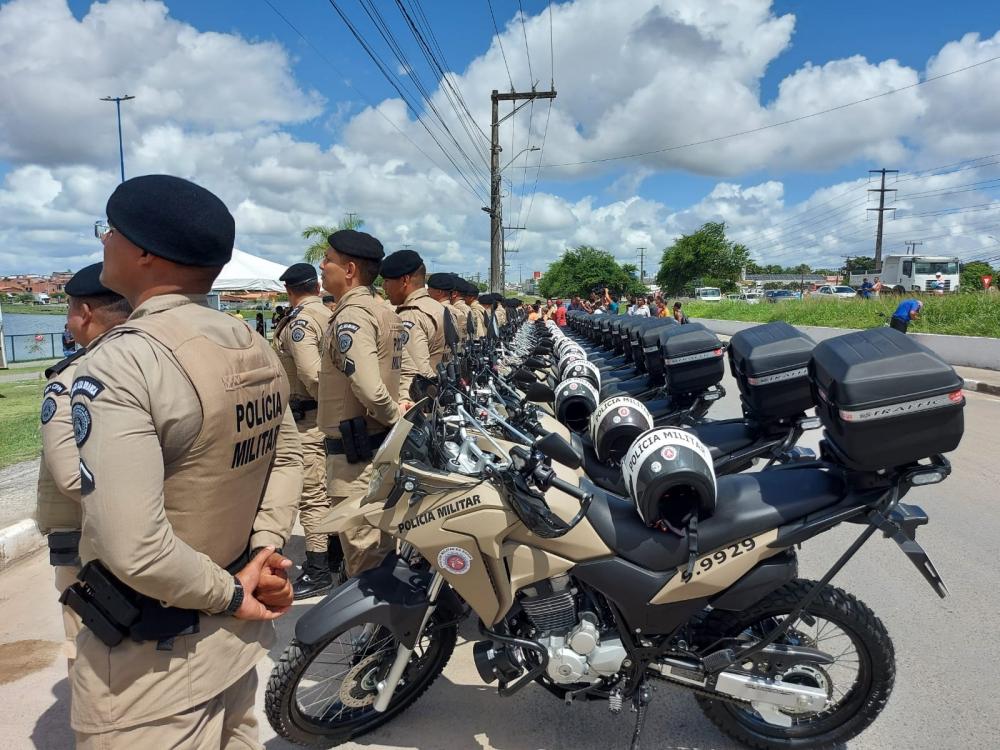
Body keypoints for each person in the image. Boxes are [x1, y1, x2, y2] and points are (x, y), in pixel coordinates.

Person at [69, 174, 303, 748]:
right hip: (231, 642)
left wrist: (233, 594)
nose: (104, 242)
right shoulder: (249, 342)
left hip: (151, 669)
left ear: (144, 252)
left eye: (110, 231)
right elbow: (286, 456)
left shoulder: (125, 361)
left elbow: (136, 547)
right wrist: (264, 550)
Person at [36, 263, 131, 673]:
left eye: (69, 309)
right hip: (141, 532)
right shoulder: (146, 365)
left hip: (85, 532)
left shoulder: (71, 379)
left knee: (87, 643)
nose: (67, 320)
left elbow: (71, 478)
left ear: (86, 313)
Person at [317, 229, 403, 576]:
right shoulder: (383, 311)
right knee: (380, 554)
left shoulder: (351, 316)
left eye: (328, 260)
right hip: (375, 450)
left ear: (350, 269)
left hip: (357, 460)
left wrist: (394, 417)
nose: (321, 266)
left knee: (367, 563)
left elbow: (369, 388)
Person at [272, 262, 338, 600]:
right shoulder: (329, 313)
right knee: (330, 490)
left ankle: (318, 570)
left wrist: (326, 408)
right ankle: (335, 556)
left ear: (289, 289)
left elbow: (312, 376)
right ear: (317, 287)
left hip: (308, 421)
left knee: (313, 496)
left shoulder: (301, 321)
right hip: (326, 419)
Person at [381, 249, 446, 407]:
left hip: (422, 404)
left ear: (404, 280)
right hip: (442, 394)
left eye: (387, 281)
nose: (383, 287)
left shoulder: (410, 315)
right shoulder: (439, 308)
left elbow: (415, 375)